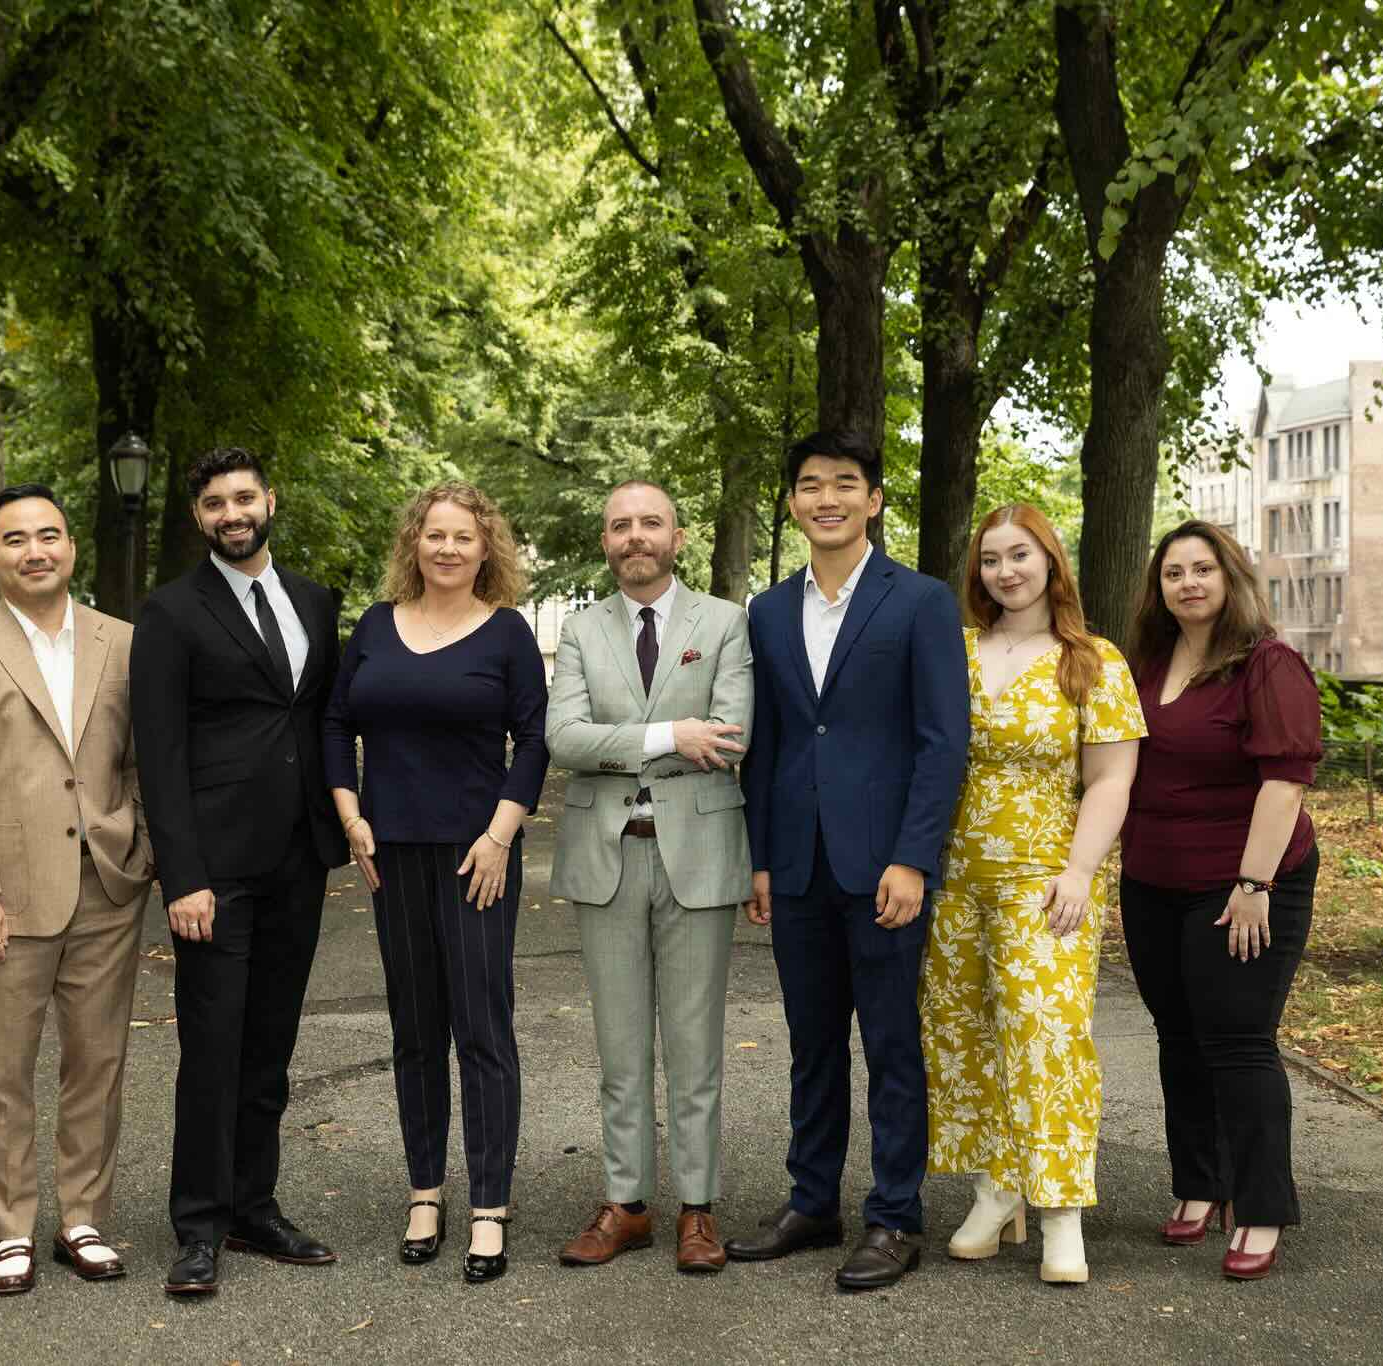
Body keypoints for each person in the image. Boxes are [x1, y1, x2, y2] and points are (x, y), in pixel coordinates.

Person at [728, 432, 968, 1291]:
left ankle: (896, 1215)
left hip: (884, 868)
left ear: (873, 499)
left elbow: (943, 741)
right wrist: (760, 858)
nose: (825, 497)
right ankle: (812, 1201)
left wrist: (914, 858)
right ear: (793, 503)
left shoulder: (922, 601)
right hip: (796, 863)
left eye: (843, 483)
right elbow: (768, 744)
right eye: (808, 484)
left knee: (893, 1044)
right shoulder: (765, 611)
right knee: (813, 1043)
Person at [0, 484, 155, 1296]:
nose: (36, 551)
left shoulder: (124, 642)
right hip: (8, 894)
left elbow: (145, 757)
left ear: (71, 546)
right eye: (16, 540)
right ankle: (11, 1227)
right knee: (2, 1072)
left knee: (98, 1062)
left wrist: (140, 846)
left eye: (49, 535)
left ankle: (82, 1218)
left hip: (107, 886)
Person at [132, 448, 350, 1298]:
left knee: (270, 1047)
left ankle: (255, 1207)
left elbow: (322, 717)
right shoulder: (170, 611)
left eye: (244, 497)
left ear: (270, 501)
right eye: (216, 503)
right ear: (199, 517)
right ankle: (198, 1225)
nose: (233, 513)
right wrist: (182, 874)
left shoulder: (314, 601)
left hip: (299, 855)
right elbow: (159, 750)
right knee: (213, 1048)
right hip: (214, 870)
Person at [324, 481, 550, 1285]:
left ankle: (490, 1203)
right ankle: (426, 1192)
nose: (448, 548)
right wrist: (351, 815)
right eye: (435, 534)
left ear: (486, 548)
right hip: (391, 850)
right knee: (415, 1028)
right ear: (413, 544)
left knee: (482, 1028)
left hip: (475, 853)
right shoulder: (375, 626)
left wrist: (499, 837)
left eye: (464, 536)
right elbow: (336, 722)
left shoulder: (508, 633)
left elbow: (534, 741)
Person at [920, 505, 1145, 1284]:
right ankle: (997, 1187)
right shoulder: (954, 653)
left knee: (1047, 1038)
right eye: (990, 559)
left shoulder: (1092, 661)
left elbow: (1111, 779)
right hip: (955, 880)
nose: (1004, 571)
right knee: (966, 1034)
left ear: (1051, 561)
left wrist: (1080, 870)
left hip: (1046, 879)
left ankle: (1061, 1212)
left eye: (1019, 555)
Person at [545, 480, 754, 1275]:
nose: (635, 536)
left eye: (650, 523)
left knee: (695, 1048)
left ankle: (698, 1208)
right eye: (620, 525)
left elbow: (730, 737)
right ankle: (627, 1203)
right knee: (620, 1046)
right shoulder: (580, 629)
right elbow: (564, 738)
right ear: (606, 541)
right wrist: (671, 734)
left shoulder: (725, 623)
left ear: (677, 537)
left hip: (697, 856)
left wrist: (629, 739)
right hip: (607, 856)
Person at [1119, 519, 1323, 1282]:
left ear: (1231, 577)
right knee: (1177, 1035)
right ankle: (1201, 1184)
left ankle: (1261, 1205)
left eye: (1203, 569)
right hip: (1153, 879)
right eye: (1174, 573)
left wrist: (1254, 884)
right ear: (1159, 588)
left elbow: (1285, 781)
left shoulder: (1267, 664)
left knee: (1238, 1040)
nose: (1189, 583)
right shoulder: (1148, 664)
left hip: (1246, 879)